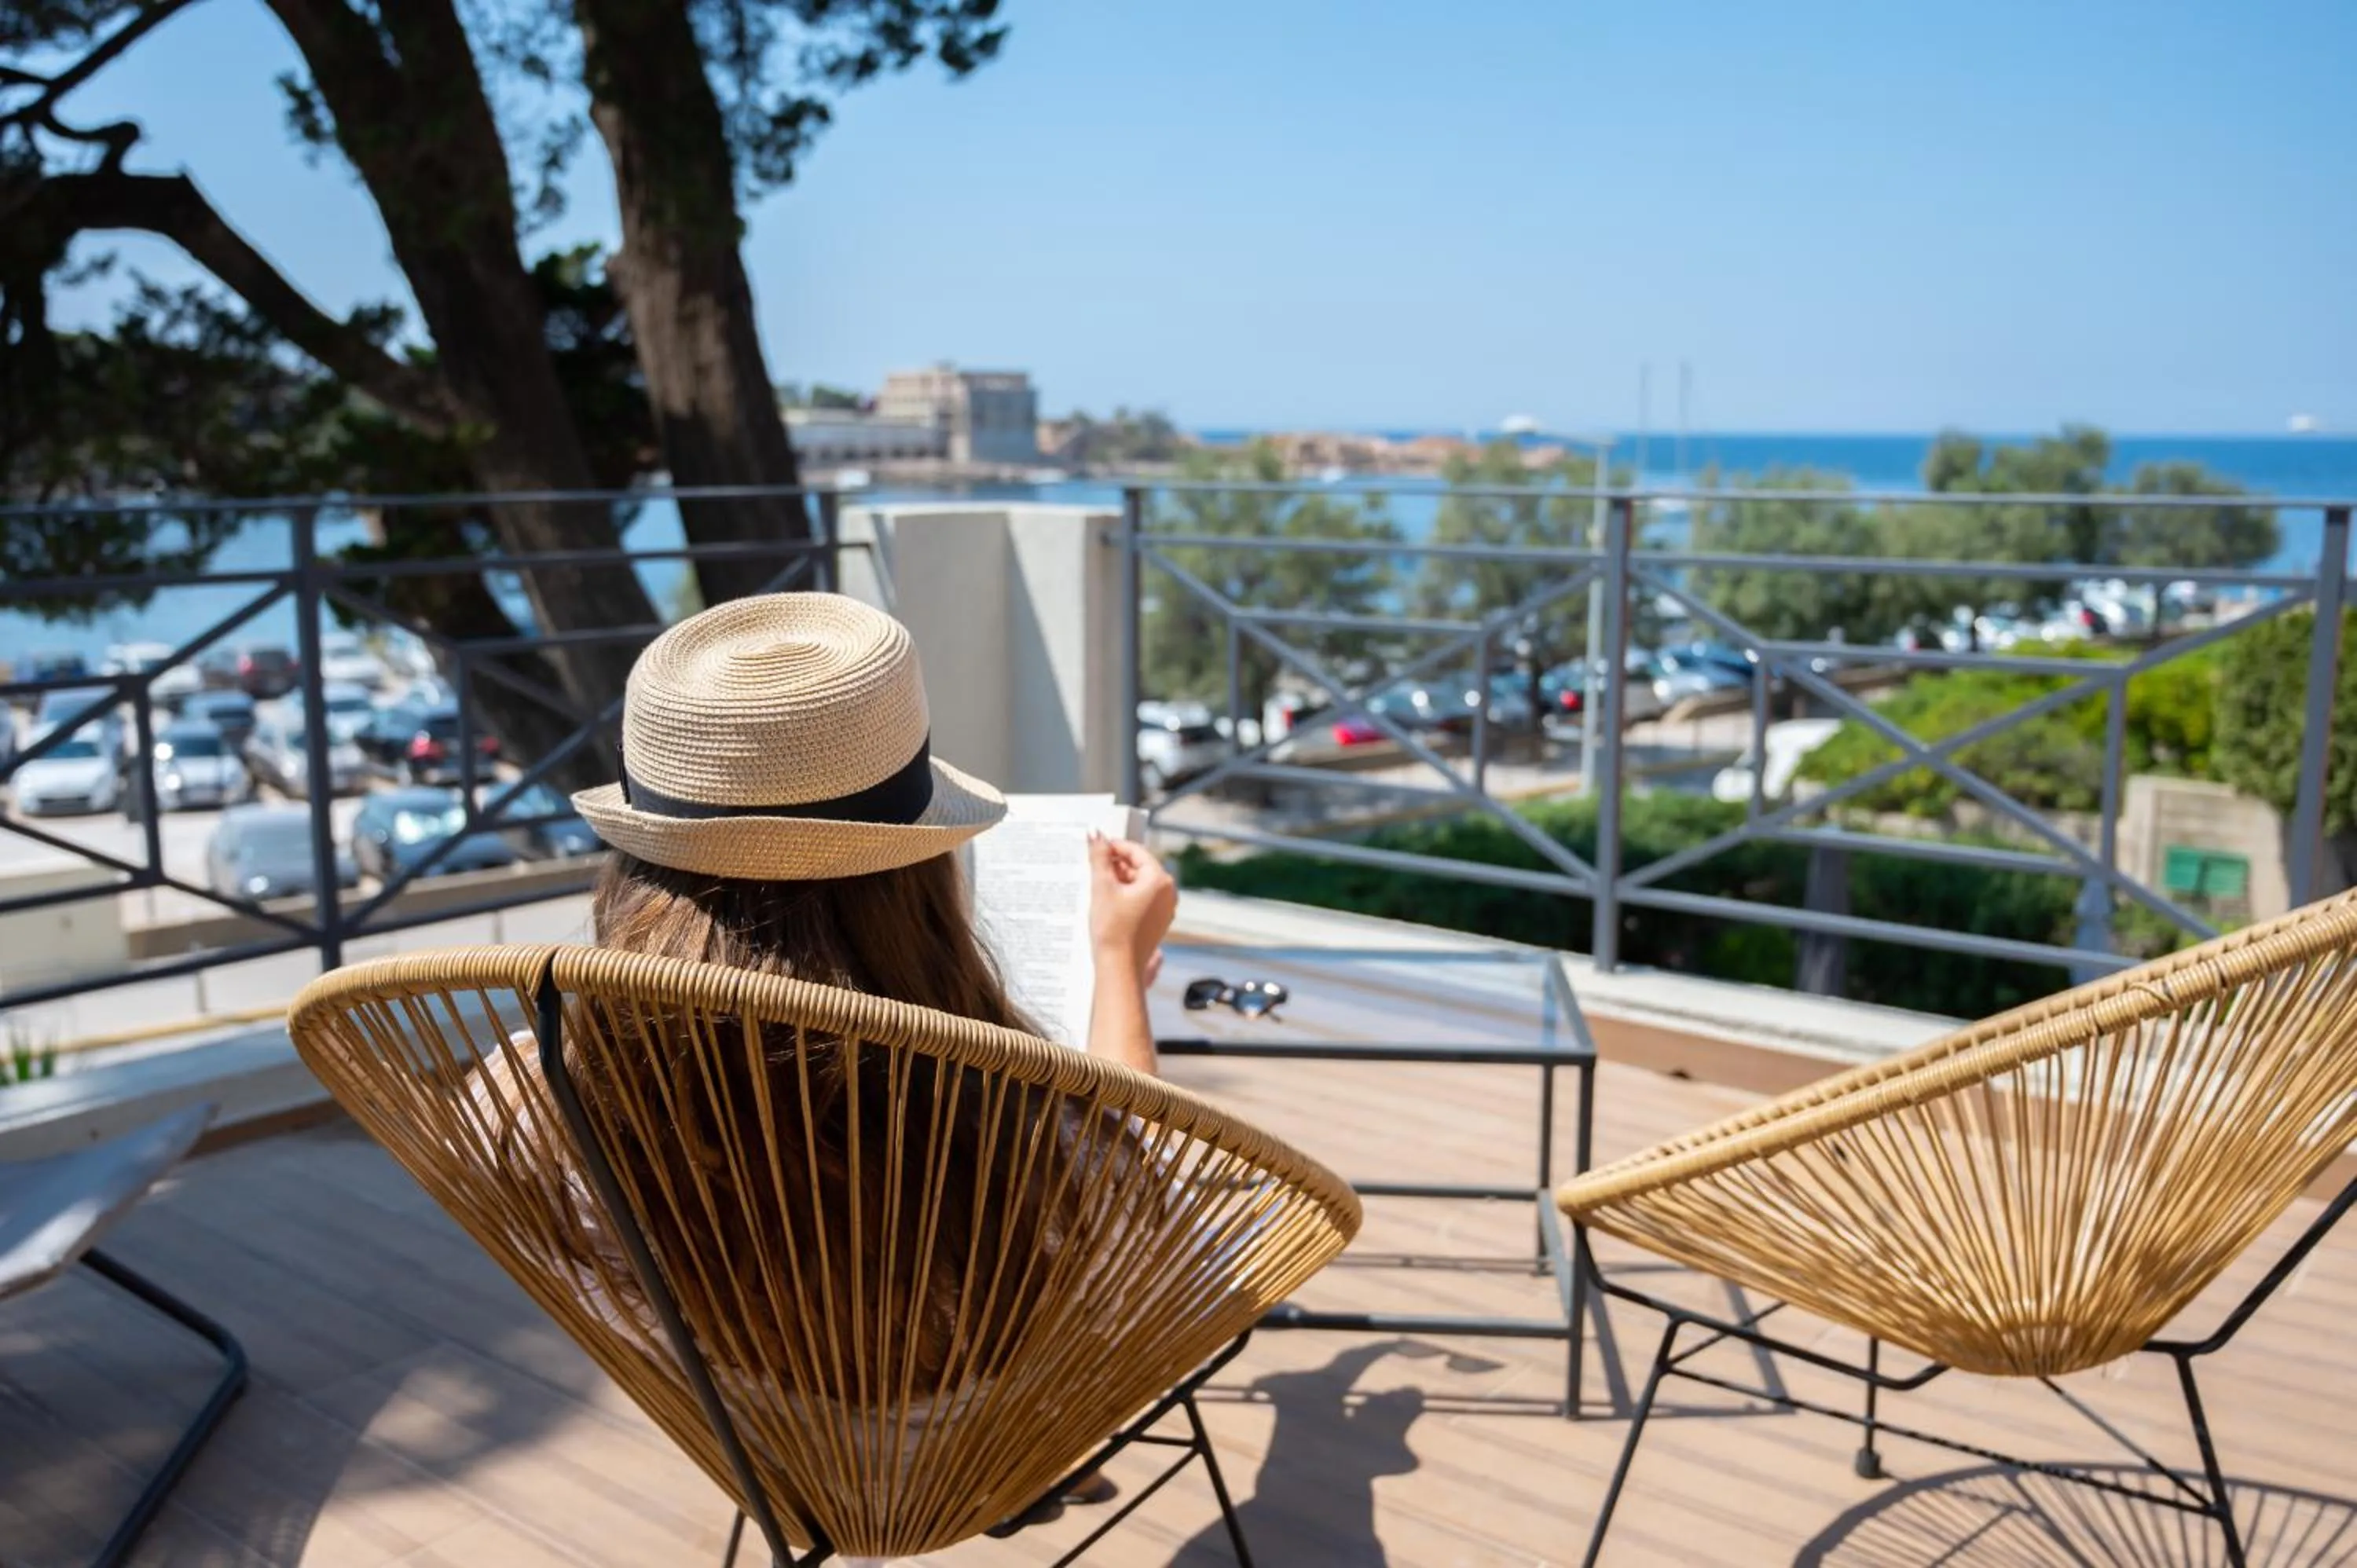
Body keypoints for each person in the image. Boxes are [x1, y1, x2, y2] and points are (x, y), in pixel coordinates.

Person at [473, 592, 1173, 1505]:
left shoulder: (530, 1095)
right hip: (987, 1455)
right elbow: (1150, 1203)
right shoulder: (1011, 1123)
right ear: (915, 868)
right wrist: (1116, 960)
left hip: (766, 1453)